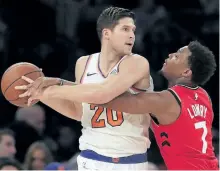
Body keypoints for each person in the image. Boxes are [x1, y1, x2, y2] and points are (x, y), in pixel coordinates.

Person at [16, 7, 153, 170]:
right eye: (125, 29)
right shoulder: (84, 63)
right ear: (106, 33)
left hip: (128, 161)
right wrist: (40, 94)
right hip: (90, 159)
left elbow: (102, 93)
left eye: (133, 30)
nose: (132, 35)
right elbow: (79, 111)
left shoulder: (137, 63)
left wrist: (54, 87)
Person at [93, 41, 218, 170]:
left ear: (186, 72)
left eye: (177, 56)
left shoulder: (166, 100)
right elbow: (175, 130)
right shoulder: (204, 97)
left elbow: (107, 100)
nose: (170, 54)